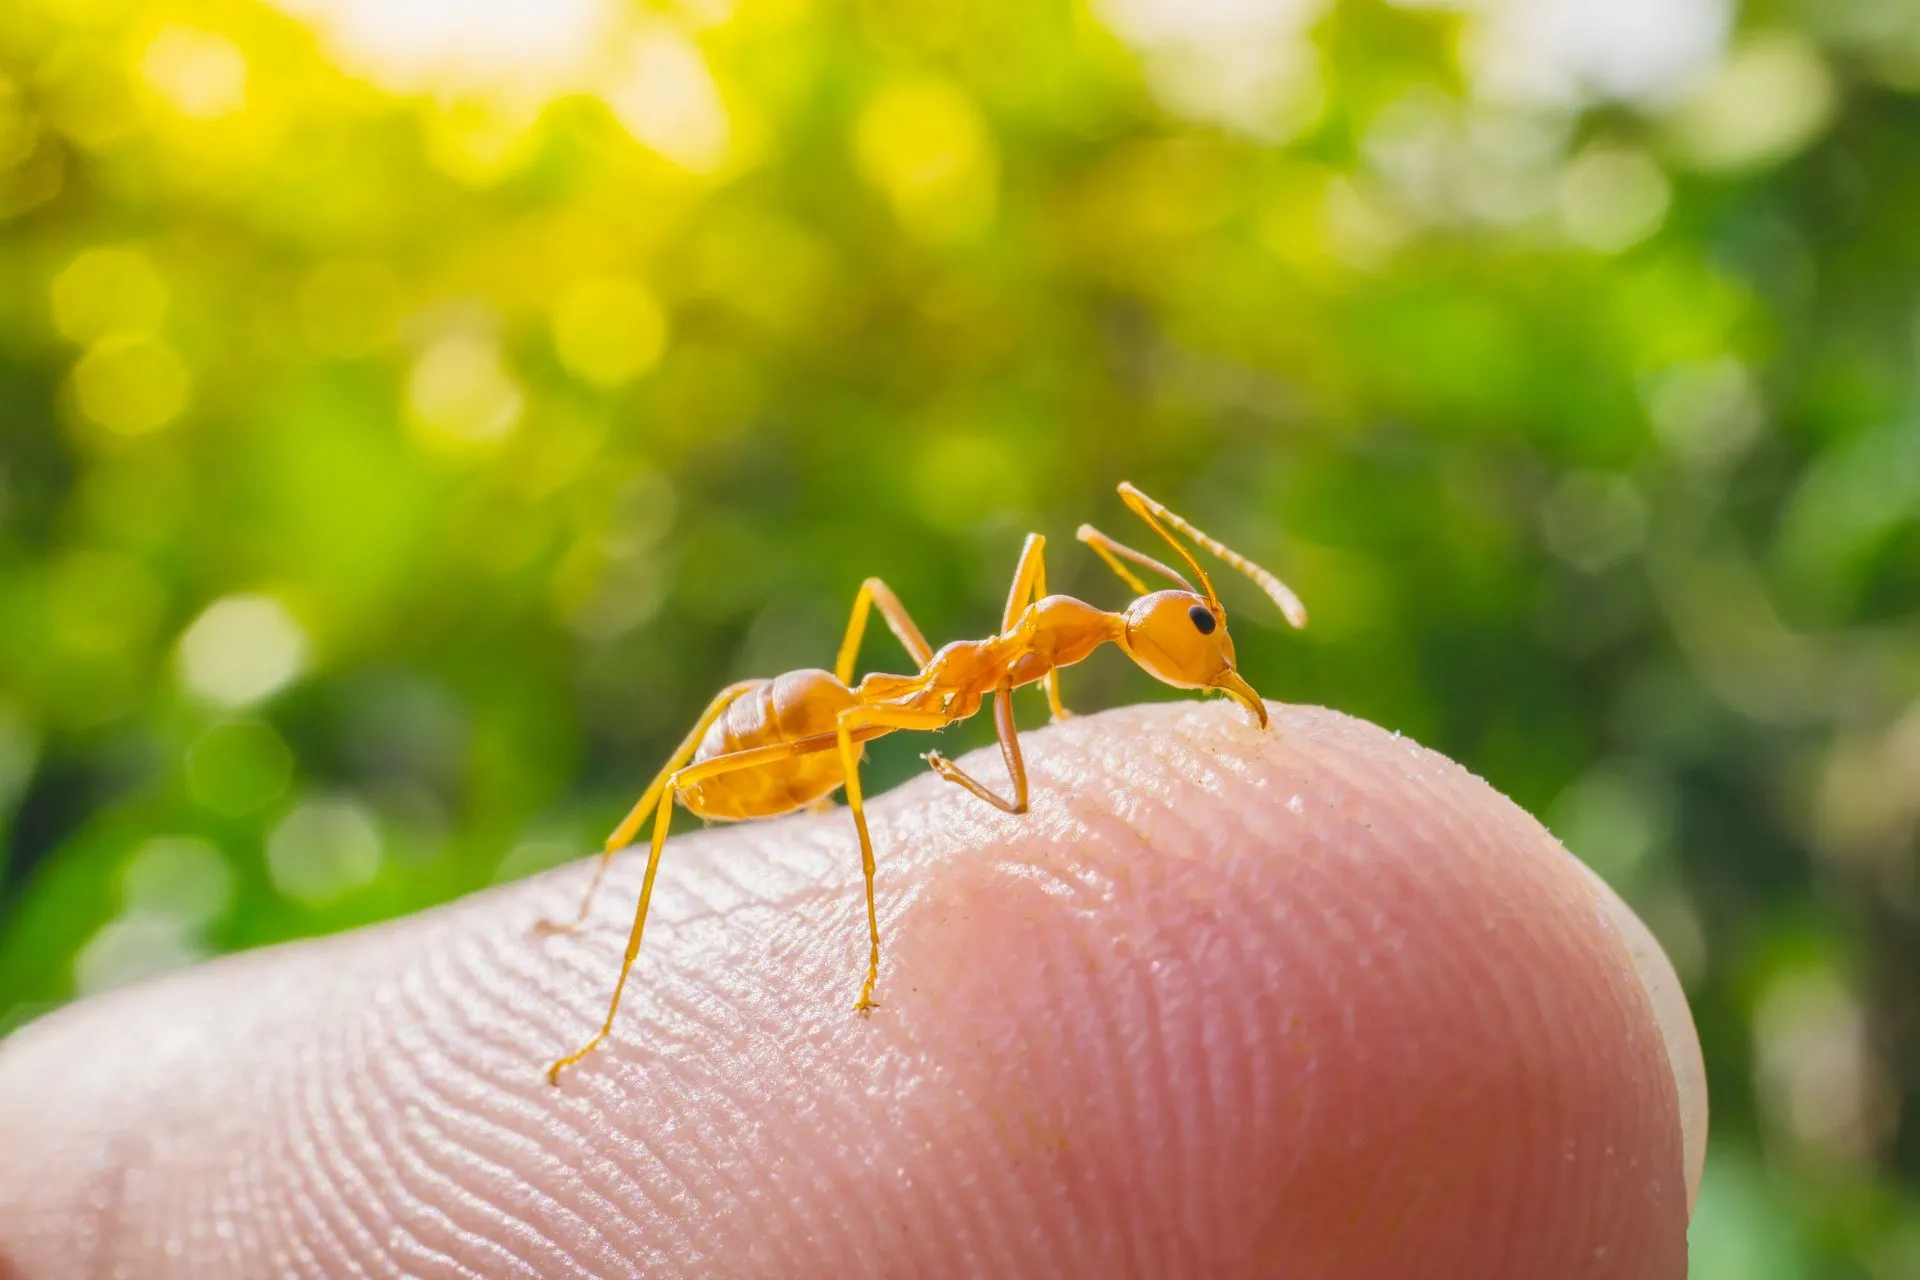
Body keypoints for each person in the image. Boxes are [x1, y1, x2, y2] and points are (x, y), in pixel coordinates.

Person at [0, 702, 1704, 1277]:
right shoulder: (962, 685)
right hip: (803, 732)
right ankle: (594, 955)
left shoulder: (1045, 667)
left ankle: (594, 928)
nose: (1207, 680)